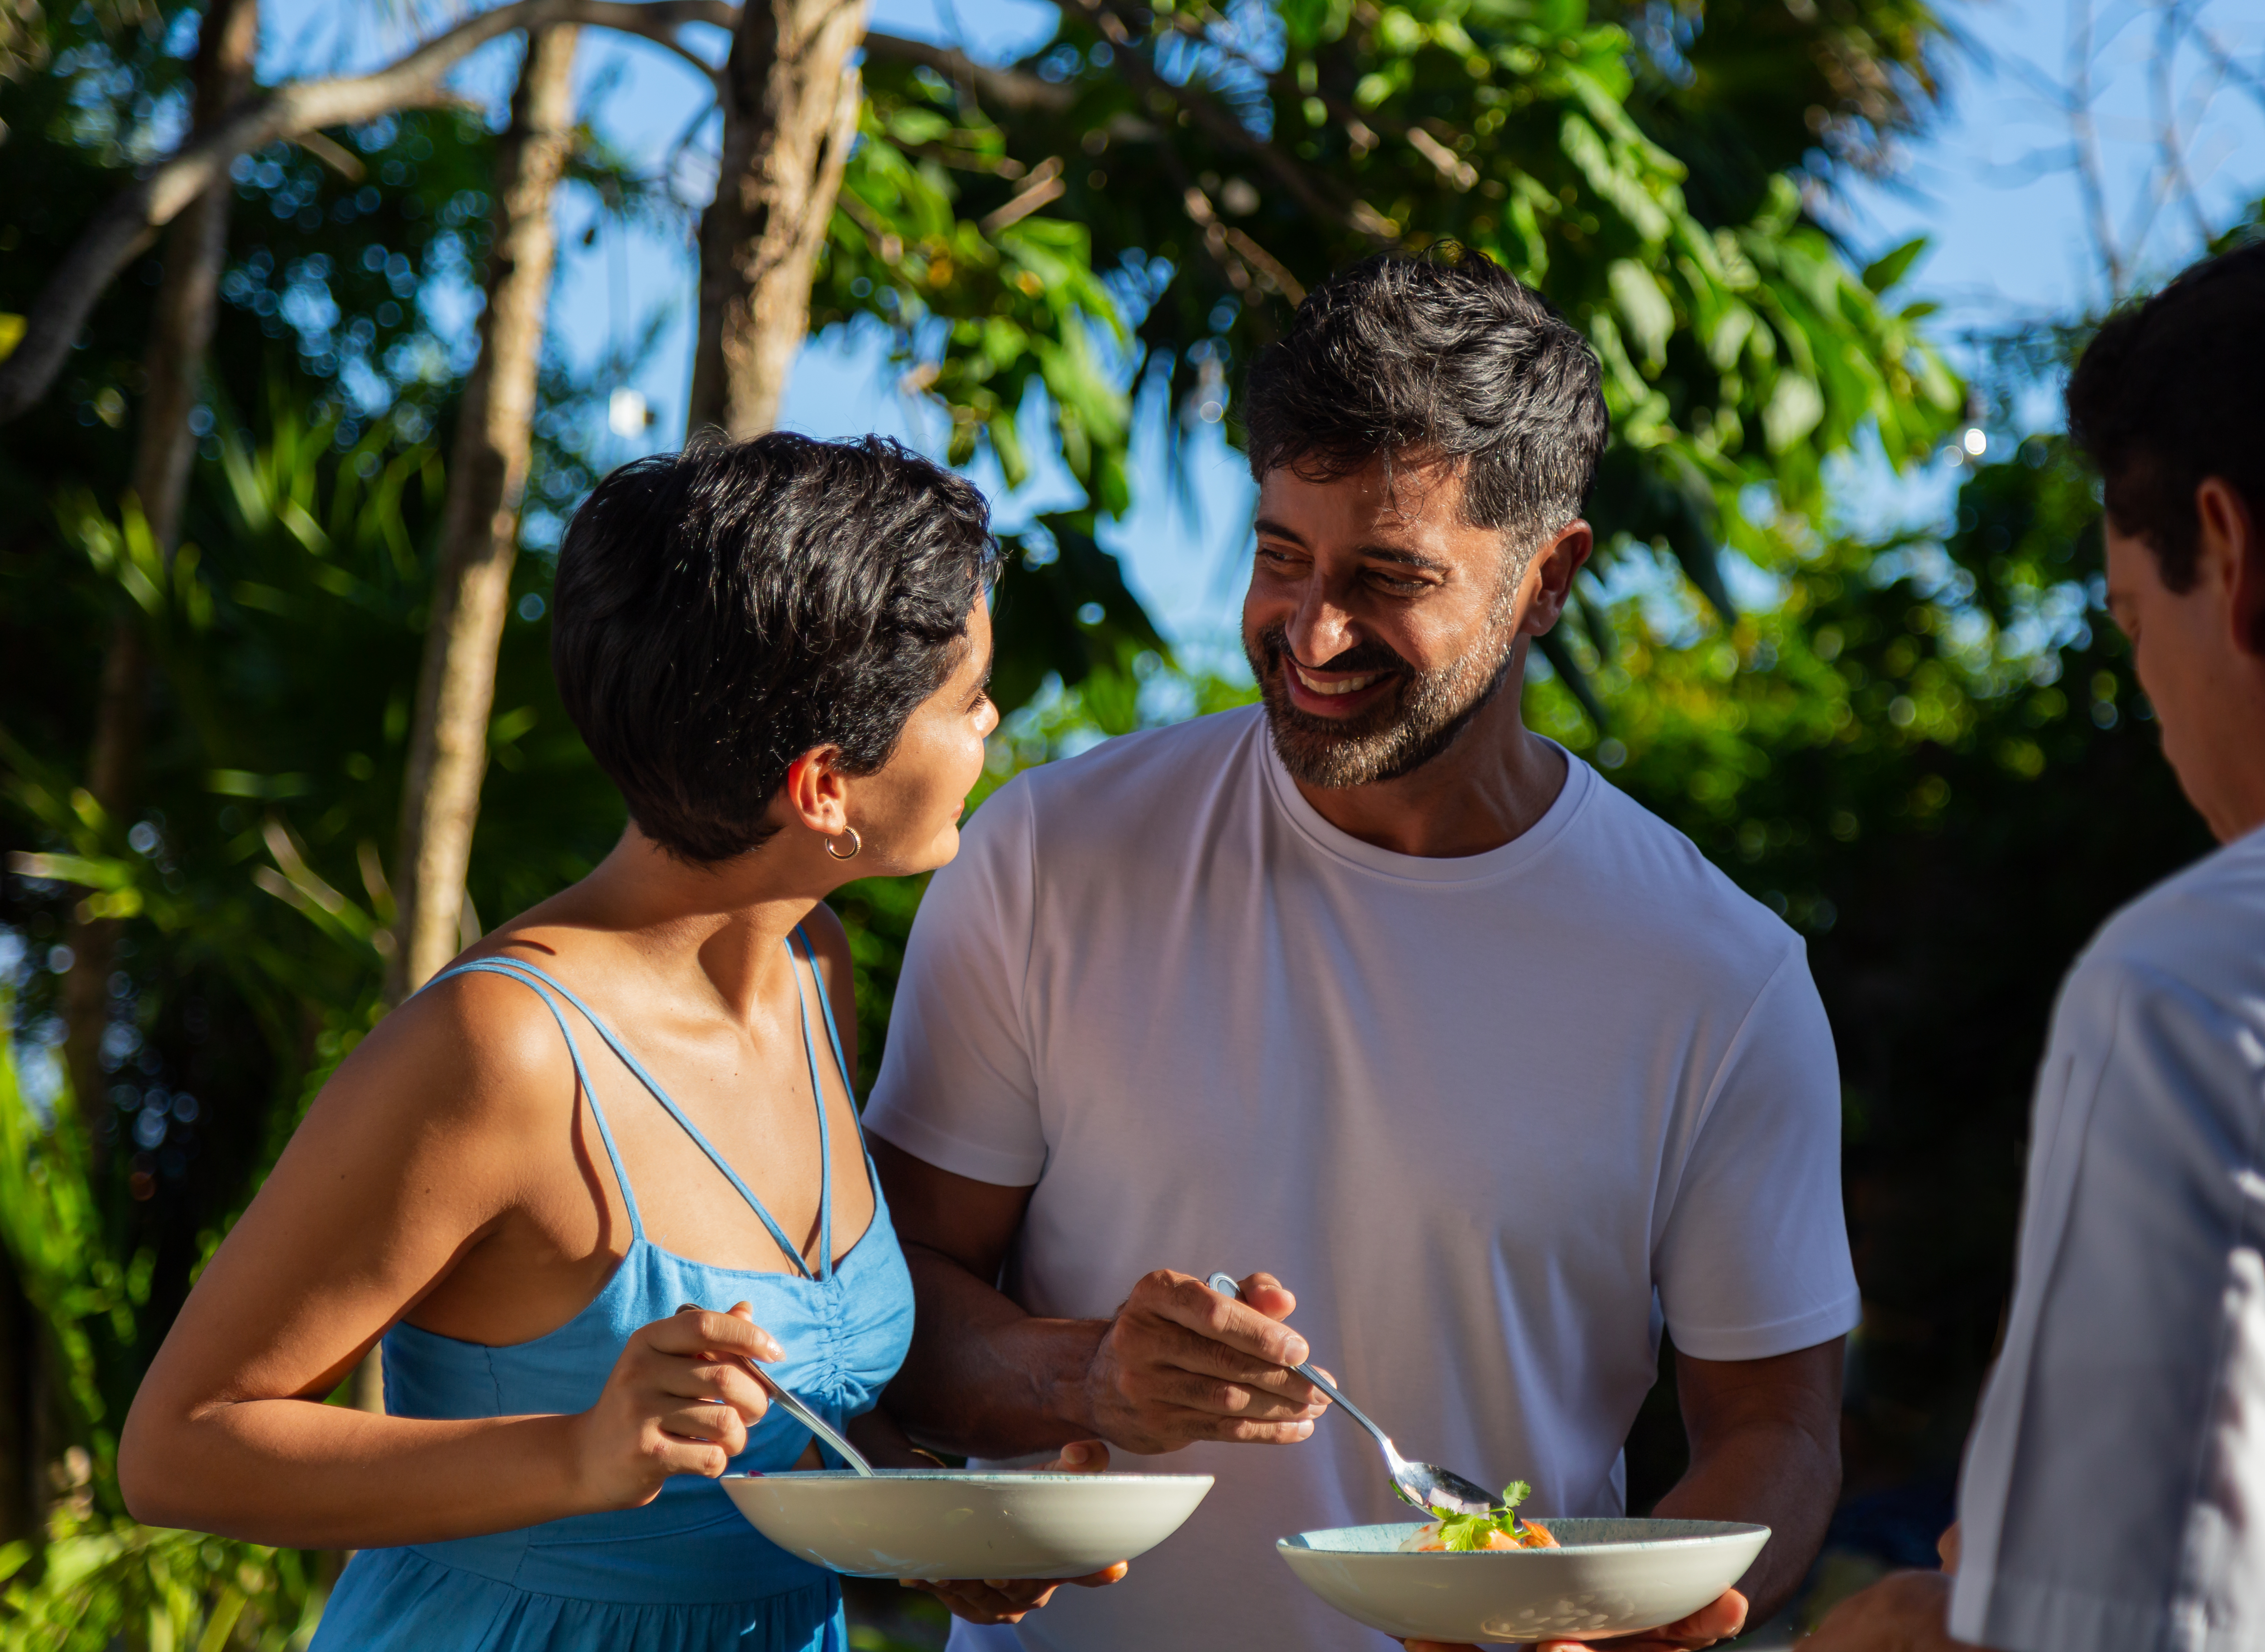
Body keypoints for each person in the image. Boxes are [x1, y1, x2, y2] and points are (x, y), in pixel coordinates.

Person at [866, 250, 1859, 1652]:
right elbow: (894, 1294)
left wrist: (1645, 1618)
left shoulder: (1718, 975)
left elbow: (1777, 1426)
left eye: (1388, 576)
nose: (1313, 630)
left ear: (1547, 581)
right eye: (1283, 556)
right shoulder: (1047, 859)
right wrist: (1087, 1376)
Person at [120, 434, 1121, 1650]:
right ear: (821, 789)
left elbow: (772, 1426)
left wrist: (927, 1521)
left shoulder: (813, 976)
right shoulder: (502, 1050)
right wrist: (577, 1454)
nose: (992, 725)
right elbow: (178, 1449)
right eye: (966, 701)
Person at [1809, 227, 2265, 1650]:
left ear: (2232, 556)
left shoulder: (2228, 975)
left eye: (2129, 618)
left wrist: (1932, 1632)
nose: (2159, 708)